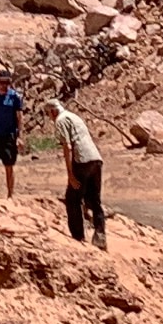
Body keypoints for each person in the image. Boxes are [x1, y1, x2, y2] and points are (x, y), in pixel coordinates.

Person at [50, 100, 107, 248]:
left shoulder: (60, 121)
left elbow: (68, 147)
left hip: (81, 160)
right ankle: (100, 235)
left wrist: (70, 174)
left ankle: (78, 237)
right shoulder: (74, 117)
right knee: (95, 200)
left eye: (48, 114)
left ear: (53, 112)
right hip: (96, 159)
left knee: (72, 198)